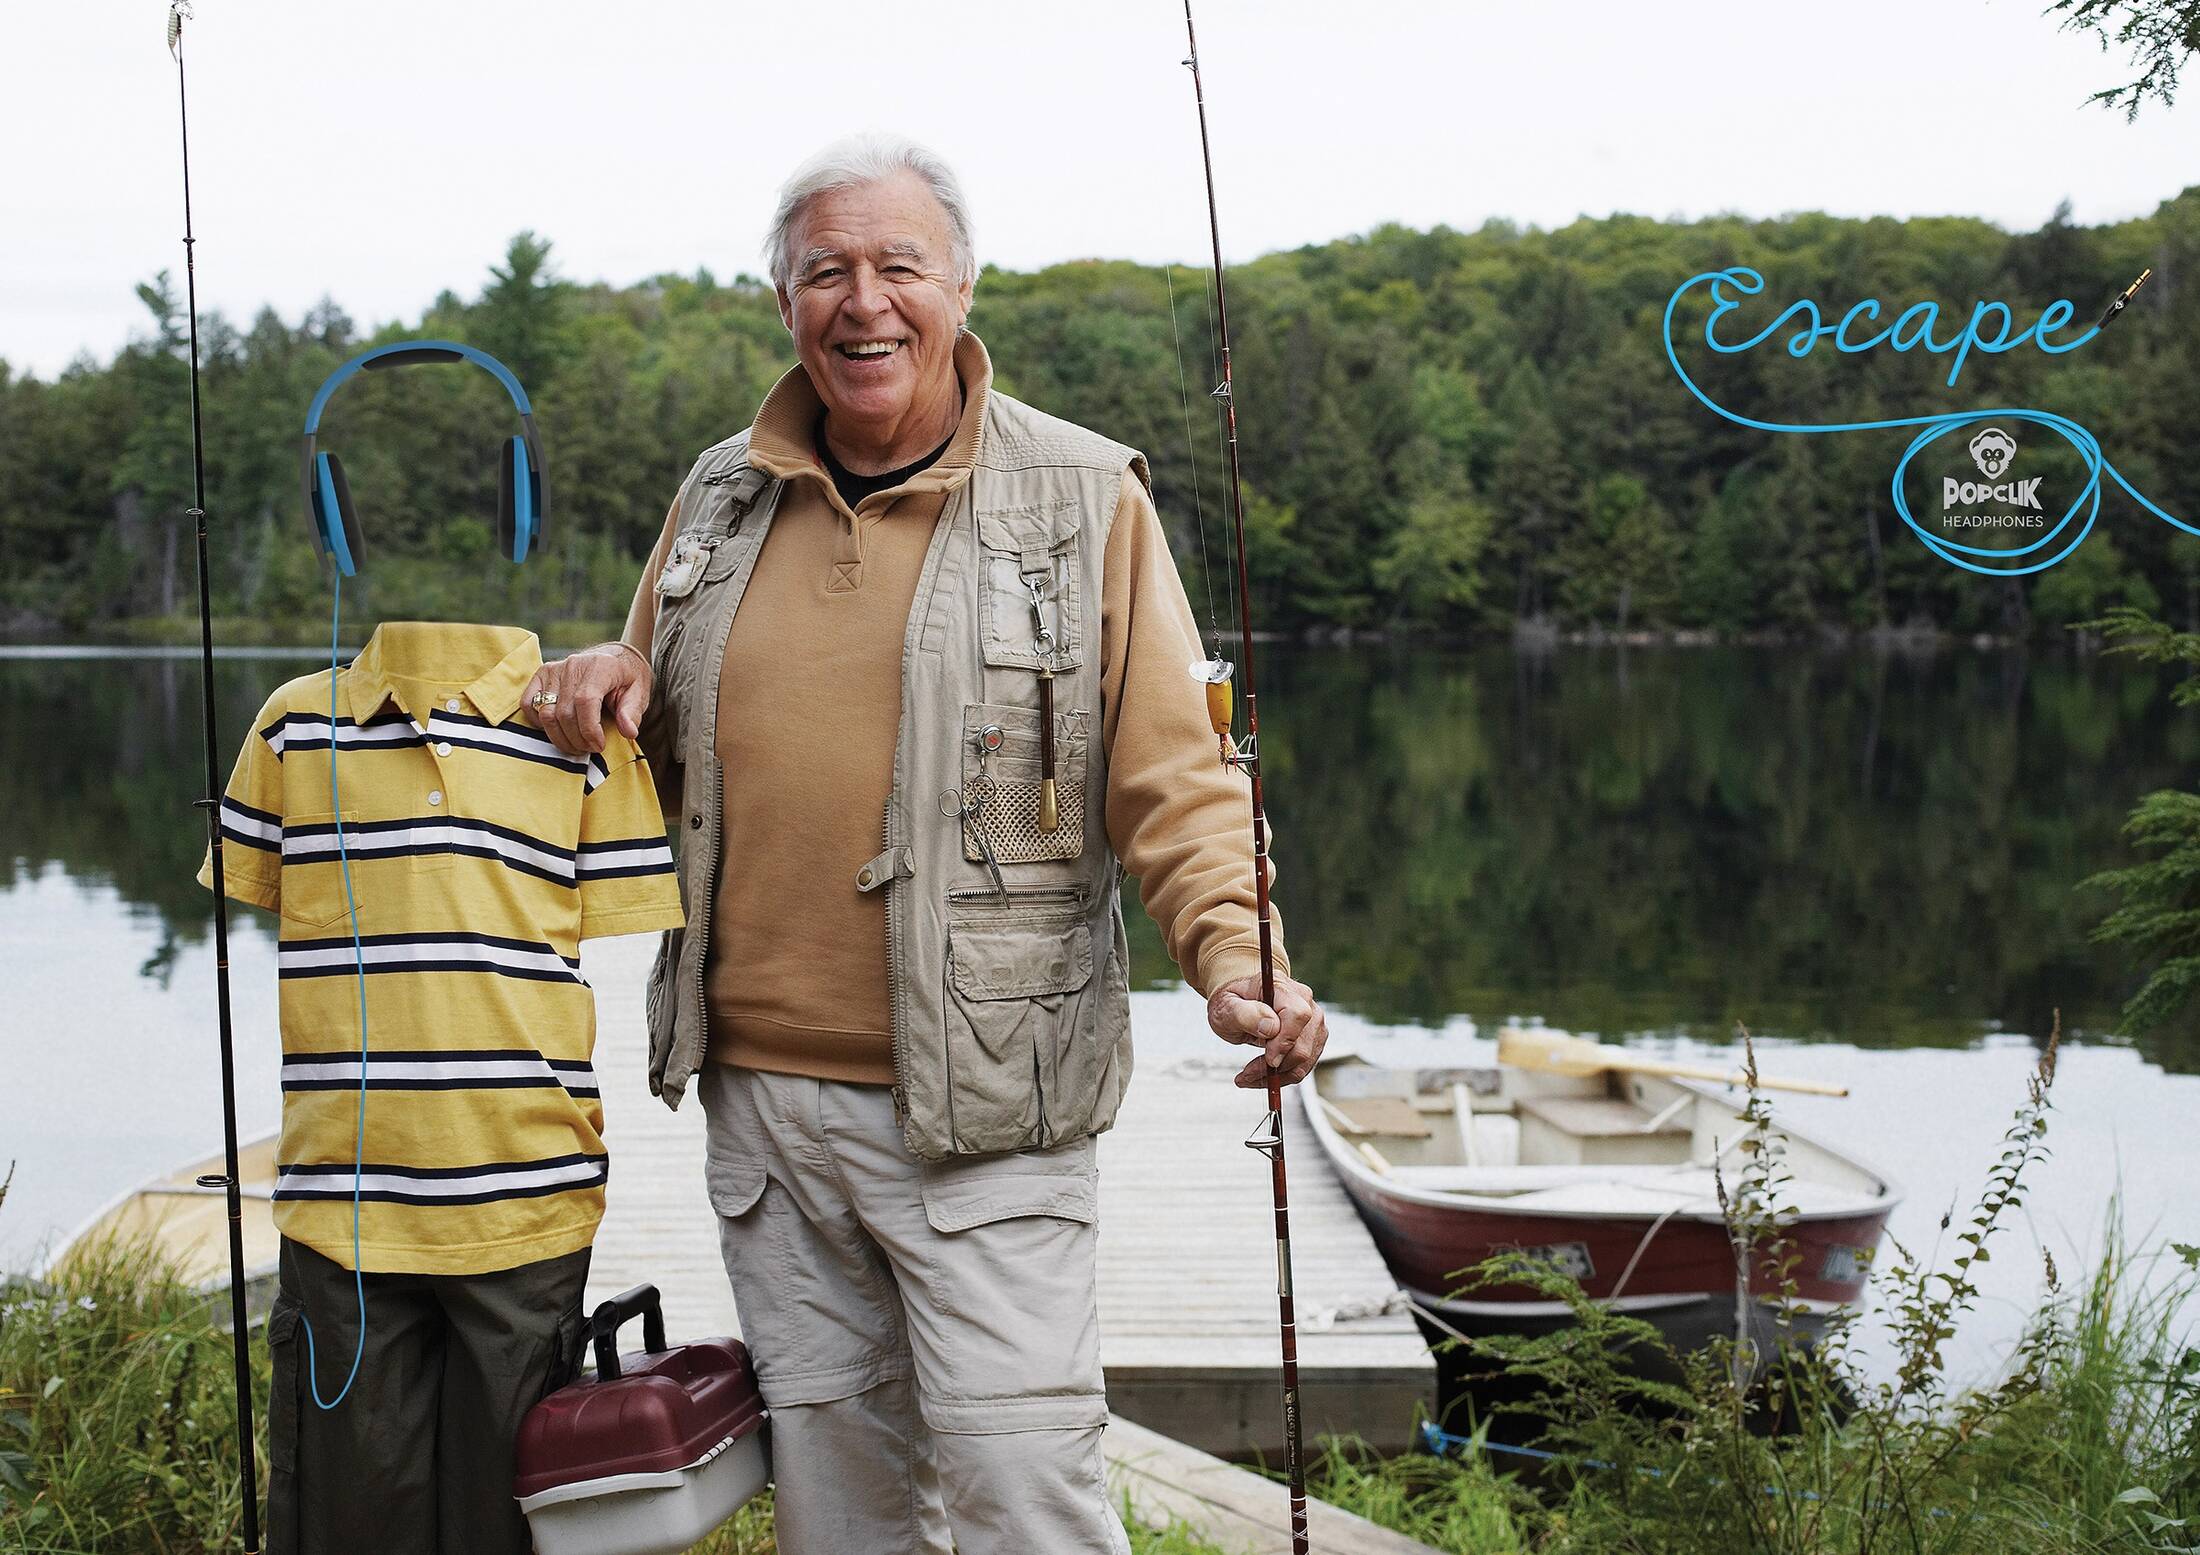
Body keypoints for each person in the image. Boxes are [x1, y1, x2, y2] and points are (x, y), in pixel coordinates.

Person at [523, 131, 1328, 1555]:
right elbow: (655, 736)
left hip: (991, 1104)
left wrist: (1234, 958)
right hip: (764, 1114)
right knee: (842, 1516)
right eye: (825, 271)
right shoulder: (719, 493)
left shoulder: (1085, 496)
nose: (864, 302)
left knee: (1026, 1501)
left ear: (963, 285)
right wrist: (605, 678)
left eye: (899, 265)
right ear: (783, 300)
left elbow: (1178, 780)